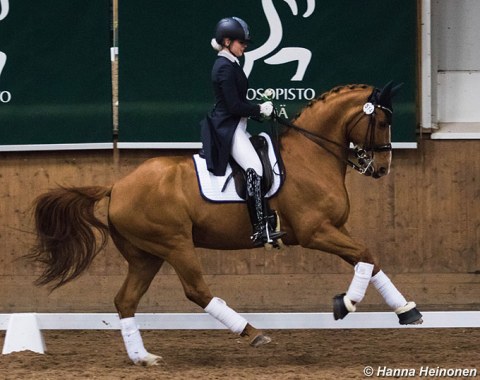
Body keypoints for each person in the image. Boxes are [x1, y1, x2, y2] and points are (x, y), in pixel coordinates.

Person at [200, 16, 285, 247]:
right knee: (254, 168)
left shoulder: (230, 63)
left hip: (237, 126)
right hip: (228, 129)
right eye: (241, 42)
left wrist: (260, 111)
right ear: (227, 41)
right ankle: (260, 228)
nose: (245, 45)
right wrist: (260, 109)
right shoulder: (224, 67)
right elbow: (233, 106)